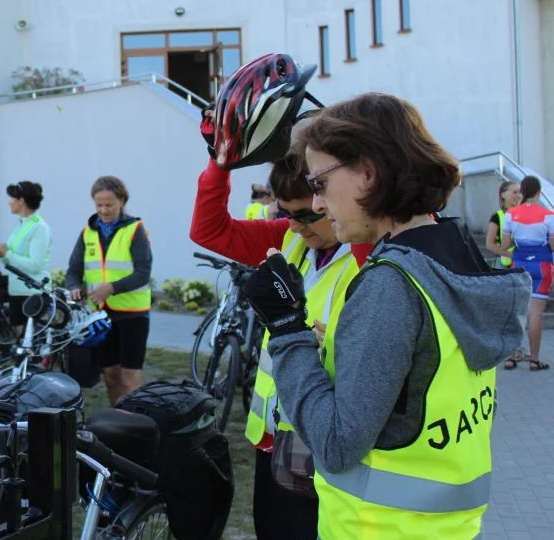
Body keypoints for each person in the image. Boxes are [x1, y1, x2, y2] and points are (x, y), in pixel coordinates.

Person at [245, 93, 527, 539]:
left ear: (368, 173)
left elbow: (337, 444)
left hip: (374, 528)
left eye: (319, 184)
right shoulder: (453, 252)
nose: (316, 205)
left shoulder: (390, 283)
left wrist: (284, 327)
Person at [191, 52, 369, 540]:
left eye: (309, 213)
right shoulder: (287, 237)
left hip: (322, 440)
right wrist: (220, 162)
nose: (297, 224)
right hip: (271, 440)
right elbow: (208, 230)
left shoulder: (369, 255)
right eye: (287, 212)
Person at [65, 176, 152, 405]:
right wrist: (74, 288)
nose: (103, 210)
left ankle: (137, 425)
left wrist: (111, 288)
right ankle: (118, 420)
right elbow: (73, 271)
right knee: (111, 375)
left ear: (122, 201)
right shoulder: (87, 233)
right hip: (100, 316)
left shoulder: (135, 229)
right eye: (99, 205)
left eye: (109, 204)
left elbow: (143, 272)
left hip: (133, 314)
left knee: (129, 376)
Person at [501, 175, 552, 371]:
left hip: (519, 264)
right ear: (538, 193)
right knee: (536, 314)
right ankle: (534, 359)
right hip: (542, 265)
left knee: (516, 311)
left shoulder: (511, 214)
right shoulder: (549, 215)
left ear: (522, 192)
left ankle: (511, 357)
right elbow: (553, 245)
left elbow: (505, 245)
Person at [0, 181, 52, 337]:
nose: (9, 202)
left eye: (12, 198)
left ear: (21, 201)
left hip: (32, 292)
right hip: (17, 291)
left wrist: (8, 254)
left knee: (31, 344)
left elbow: (35, 265)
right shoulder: (21, 225)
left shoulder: (39, 227)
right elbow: (12, 262)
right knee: (20, 343)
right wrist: (2, 256)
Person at [485, 181, 521, 268]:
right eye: (515, 192)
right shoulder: (497, 216)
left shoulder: (526, 214)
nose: (519, 195)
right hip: (504, 265)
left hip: (524, 263)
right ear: (503, 195)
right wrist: (509, 255)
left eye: (520, 192)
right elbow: (489, 244)